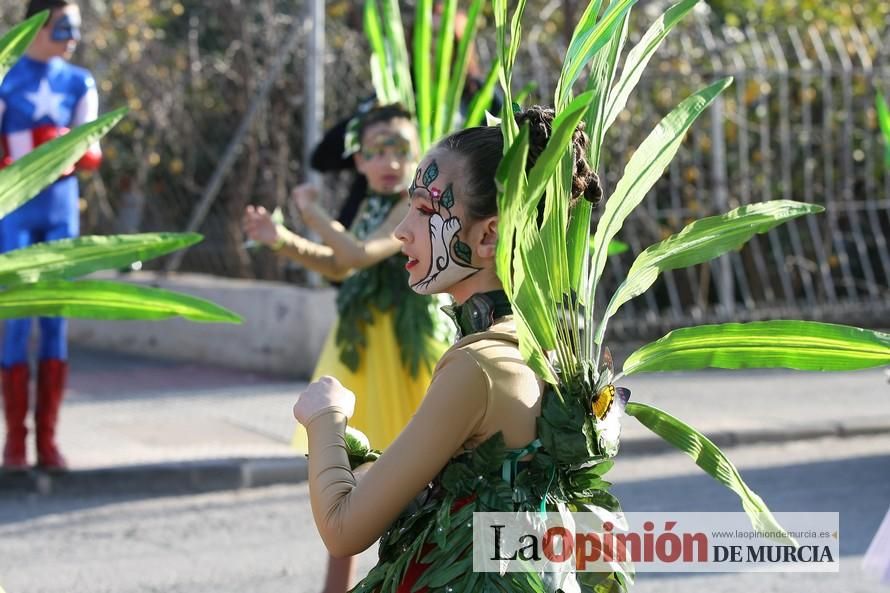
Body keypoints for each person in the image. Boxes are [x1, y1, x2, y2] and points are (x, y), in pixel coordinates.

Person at [291, 107, 605, 592]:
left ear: (487, 235)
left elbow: (343, 528)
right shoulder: (544, 344)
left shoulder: (475, 367)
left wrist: (325, 418)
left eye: (425, 210)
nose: (402, 231)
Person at [243, 103, 449, 593]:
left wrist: (310, 212)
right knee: (350, 481)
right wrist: (283, 239)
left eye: (400, 150)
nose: (389, 162)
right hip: (361, 352)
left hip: (407, 355)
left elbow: (359, 253)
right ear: (358, 160)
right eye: (377, 151)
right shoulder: (369, 205)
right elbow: (339, 268)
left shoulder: (411, 205)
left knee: (419, 482)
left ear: (417, 155)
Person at [0, 0, 102, 471]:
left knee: (56, 324)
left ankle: (49, 438)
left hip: (62, 214)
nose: (73, 35)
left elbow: (91, 149)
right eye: (65, 26)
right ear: (38, 25)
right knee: (17, 323)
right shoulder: (5, 76)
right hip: (14, 214)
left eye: (76, 26)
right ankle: (16, 440)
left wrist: (58, 146)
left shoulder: (78, 81)